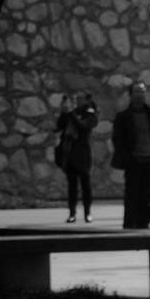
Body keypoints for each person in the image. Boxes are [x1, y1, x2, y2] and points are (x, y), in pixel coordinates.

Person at [111, 81, 150, 229]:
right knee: (131, 195)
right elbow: (118, 139)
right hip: (133, 161)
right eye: (136, 91)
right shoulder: (123, 117)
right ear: (130, 94)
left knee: (146, 195)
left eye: (142, 91)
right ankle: (129, 224)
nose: (140, 94)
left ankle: (143, 223)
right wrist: (126, 157)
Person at [55, 91, 99, 223]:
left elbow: (83, 126)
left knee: (86, 185)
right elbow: (60, 126)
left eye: (80, 99)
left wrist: (70, 113)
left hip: (83, 154)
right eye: (75, 99)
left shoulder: (90, 113)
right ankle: (72, 212)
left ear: (85, 100)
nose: (77, 101)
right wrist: (64, 112)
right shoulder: (71, 113)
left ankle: (87, 212)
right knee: (72, 186)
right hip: (70, 154)